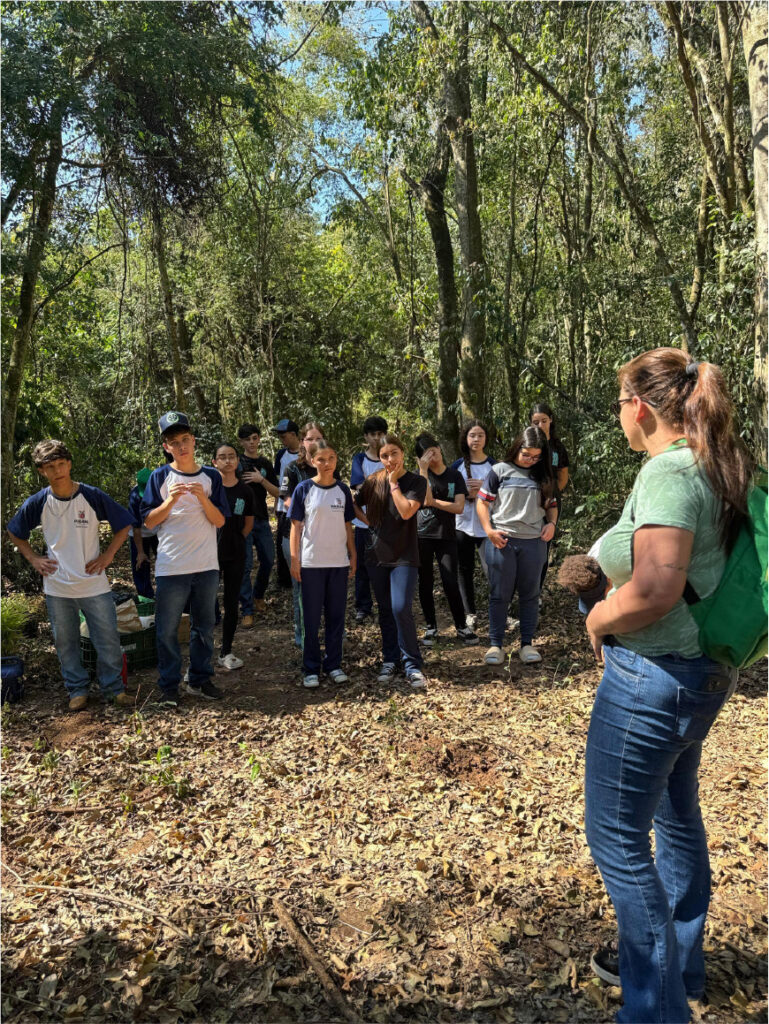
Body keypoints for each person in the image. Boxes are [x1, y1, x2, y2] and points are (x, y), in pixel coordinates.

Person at [582, 349, 752, 1023]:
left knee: (617, 843)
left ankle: (654, 1011)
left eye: (620, 402)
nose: (619, 415)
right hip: (698, 678)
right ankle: (678, 971)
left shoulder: (667, 470)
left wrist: (599, 614)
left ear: (641, 406)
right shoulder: (712, 466)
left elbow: (653, 589)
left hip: (651, 680)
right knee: (674, 818)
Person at [7, 439, 134, 711]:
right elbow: (15, 531)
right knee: (66, 643)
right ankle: (77, 690)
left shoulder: (91, 495)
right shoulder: (39, 502)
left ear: (70, 464)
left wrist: (108, 555)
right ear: (42, 471)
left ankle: (114, 689)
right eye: (50, 467)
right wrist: (33, 558)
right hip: (57, 587)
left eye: (61, 464)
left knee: (108, 639)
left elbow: (123, 524)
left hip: (93, 585)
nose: (57, 471)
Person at [141, 412, 229, 705]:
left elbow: (220, 521)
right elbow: (149, 523)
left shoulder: (211, 476)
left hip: (206, 566)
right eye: (174, 442)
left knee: (204, 627)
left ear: (194, 441)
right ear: (166, 447)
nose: (181, 447)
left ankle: (200, 680)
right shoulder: (159, 477)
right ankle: (169, 687)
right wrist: (171, 500)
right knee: (166, 630)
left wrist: (202, 498)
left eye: (185, 440)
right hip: (171, 567)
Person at [476, 425, 557, 665]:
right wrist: (488, 530)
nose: (531, 460)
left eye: (536, 456)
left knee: (530, 594)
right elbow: (482, 503)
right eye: (526, 454)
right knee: (499, 594)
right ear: (516, 447)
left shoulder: (542, 475)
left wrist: (551, 524)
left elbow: (551, 505)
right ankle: (495, 645)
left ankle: (527, 644)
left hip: (534, 542)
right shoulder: (499, 471)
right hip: (503, 541)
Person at [356, 435, 428, 689]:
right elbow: (354, 505)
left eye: (394, 453)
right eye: (384, 456)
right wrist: (368, 523)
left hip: (405, 556)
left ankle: (412, 663)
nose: (389, 460)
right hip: (376, 555)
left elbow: (407, 511)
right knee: (385, 609)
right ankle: (390, 658)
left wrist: (394, 484)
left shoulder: (416, 481)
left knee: (400, 608)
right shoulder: (373, 481)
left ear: (403, 453)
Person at [289, 439, 356, 688]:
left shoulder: (343, 490)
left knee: (337, 616)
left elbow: (348, 525)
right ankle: (310, 668)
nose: (327, 464)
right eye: (321, 459)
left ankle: (334, 664)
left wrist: (353, 554)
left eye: (331, 459)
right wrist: (295, 560)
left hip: (337, 563)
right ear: (312, 461)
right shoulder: (304, 489)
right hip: (311, 563)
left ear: (336, 460)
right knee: (311, 619)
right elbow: (295, 527)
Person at [414, 433, 479, 646]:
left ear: (440, 448)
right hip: (422, 534)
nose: (433, 456)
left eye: (435, 450)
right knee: (425, 581)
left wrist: (434, 502)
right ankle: (431, 626)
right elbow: (423, 500)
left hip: (447, 534)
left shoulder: (454, 475)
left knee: (450, 580)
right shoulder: (419, 475)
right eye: (427, 455)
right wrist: (423, 471)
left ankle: (461, 626)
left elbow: (459, 507)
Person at [283, 423, 331, 648]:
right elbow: (286, 499)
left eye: (318, 438)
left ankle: (332, 634)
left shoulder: (330, 465)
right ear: (302, 442)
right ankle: (302, 636)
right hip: (296, 535)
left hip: (324, 538)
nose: (314, 443)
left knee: (328, 590)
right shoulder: (292, 469)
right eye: (309, 439)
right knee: (301, 588)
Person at [212, 443, 255, 671]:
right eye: (222, 457)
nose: (227, 461)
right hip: (208, 554)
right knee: (207, 602)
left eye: (231, 457)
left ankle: (226, 650)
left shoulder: (245, 491)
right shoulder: (209, 488)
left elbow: (249, 523)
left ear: (237, 461)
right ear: (214, 462)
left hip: (236, 553)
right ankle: (202, 652)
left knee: (231, 602)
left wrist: (238, 538)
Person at [451, 420, 494, 630]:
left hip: (488, 527)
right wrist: (464, 494)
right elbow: (447, 492)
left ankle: (499, 611)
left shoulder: (495, 467)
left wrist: (484, 491)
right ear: (465, 439)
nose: (476, 439)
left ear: (486, 439)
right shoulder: (456, 466)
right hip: (463, 525)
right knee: (464, 570)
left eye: (480, 435)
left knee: (493, 569)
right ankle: (470, 613)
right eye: (472, 435)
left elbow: (504, 496)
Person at [236, 424, 279, 625]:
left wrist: (260, 479)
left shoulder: (264, 463)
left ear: (259, 438)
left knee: (268, 559)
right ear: (241, 442)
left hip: (261, 518)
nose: (251, 442)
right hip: (242, 520)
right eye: (247, 439)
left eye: (254, 438)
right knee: (244, 566)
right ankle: (247, 609)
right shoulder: (237, 462)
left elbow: (278, 492)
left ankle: (258, 594)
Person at [349, 415, 387, 623]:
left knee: (385, 564)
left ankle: (385, 604)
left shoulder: (389, 456)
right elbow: (357, 486)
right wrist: (380, 489)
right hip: (363, 521)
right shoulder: (360, 459)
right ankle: (363, 607)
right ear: (366, 436)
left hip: (388, 523)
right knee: (362, 565)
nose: (377, 438)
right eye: (373, 434)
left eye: (380, 434)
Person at [530, 402, 570, 591]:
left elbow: (563, 475)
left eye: (543, 421)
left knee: (544, 545)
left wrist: (552, 493)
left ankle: (537, 590)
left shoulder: (557, 447)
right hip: (529, 500)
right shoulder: (527, 443)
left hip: (551, 501)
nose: (540, 425)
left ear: (550, 420)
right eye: (535, 422)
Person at [272, 418, 301, 589]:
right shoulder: (281, 455)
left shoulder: (305, 453)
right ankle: (284, 580)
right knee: (282, 542)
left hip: (301, 504)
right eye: (280, 436)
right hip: (284, 504)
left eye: (284, 436)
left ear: (294, 435)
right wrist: (277, 502)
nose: (282, 439)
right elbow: (279, 480)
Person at [127, 468, 159, 599]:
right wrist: (140, 552)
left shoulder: (161, 492)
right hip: (139, 534)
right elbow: (136, 528)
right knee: (140, 565)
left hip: (157, 531)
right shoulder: (134, 497)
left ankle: (166, 595)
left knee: (165, 562)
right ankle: (146, 598)